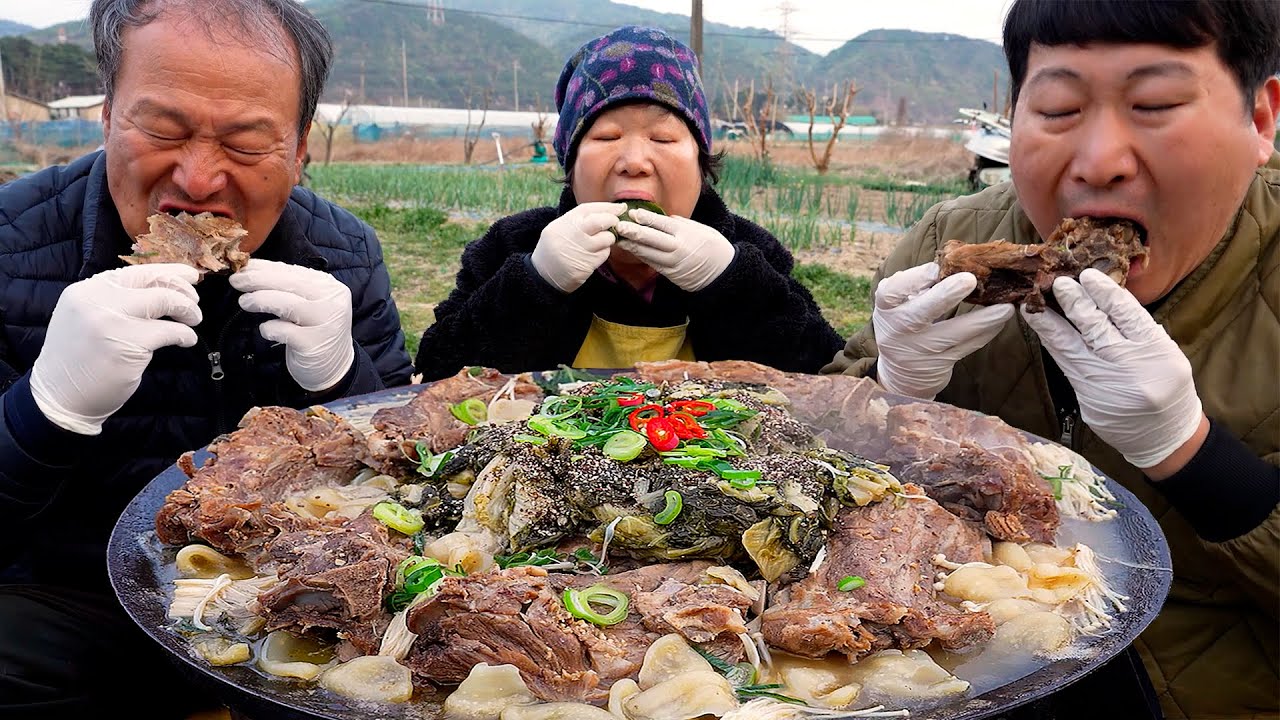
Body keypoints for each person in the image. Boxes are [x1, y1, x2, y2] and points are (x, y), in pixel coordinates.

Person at [825, 1, 1279, 718]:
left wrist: (1194, 456)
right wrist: (890, 388)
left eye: (1155, 103)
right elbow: (793, 463)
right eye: (1060, 109)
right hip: (962, 666)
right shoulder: (957, 239)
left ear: (1261, 118)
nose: (1099, 162)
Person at [0, 0, 413, 716]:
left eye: (248, 143)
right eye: (161, 128)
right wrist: (45, 410)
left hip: (294, 595)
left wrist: (349, 385)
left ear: (301, 147)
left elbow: (415, 499)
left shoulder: (345, 257)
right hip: (83, 602)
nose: (197, 179)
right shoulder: (11, 242)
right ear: (106, 115)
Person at [412, 25, 843, 381]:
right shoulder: (513, 247)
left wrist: (730, 283)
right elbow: (438, 376)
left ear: (700, 162)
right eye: (606, 137)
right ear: (572, 163)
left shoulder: (749, 253)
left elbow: (820, 381)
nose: (635, 162)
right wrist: (536, 282)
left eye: (663, 138)